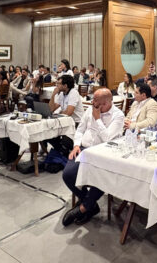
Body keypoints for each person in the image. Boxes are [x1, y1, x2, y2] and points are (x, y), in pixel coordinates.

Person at [61, 89, 125, 226]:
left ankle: (83, 208)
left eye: (96, 101)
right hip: (83, 150)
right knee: (68, 175)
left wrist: (97, 119)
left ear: (106, 103)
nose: (92, 102)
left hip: (103, 154)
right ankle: (90, 205)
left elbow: (108, 138)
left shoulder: (118, 115)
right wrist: (76, 145)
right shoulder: (90, 109)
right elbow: (80, 129)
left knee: (102, 177)